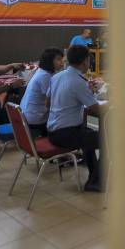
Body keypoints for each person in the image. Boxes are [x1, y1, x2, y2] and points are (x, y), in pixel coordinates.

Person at [47, 45, 105, 192]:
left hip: (54, 130)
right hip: (66, 134)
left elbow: (47, 102)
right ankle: (96, 181)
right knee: (109, 140)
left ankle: (94, 176)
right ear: (85, 61)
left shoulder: (57, 76)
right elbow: (96, 109)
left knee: (88, 134)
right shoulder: (78, 81)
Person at [20, 48, 64, 138]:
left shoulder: (42, 72)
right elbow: (54, 101)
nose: (62, 62)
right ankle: (66, 144)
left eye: (62, 59)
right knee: (68, 118)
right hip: (34, 119)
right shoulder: (45, 76)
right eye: (58, 59)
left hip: (26, 115)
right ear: (49, 61)